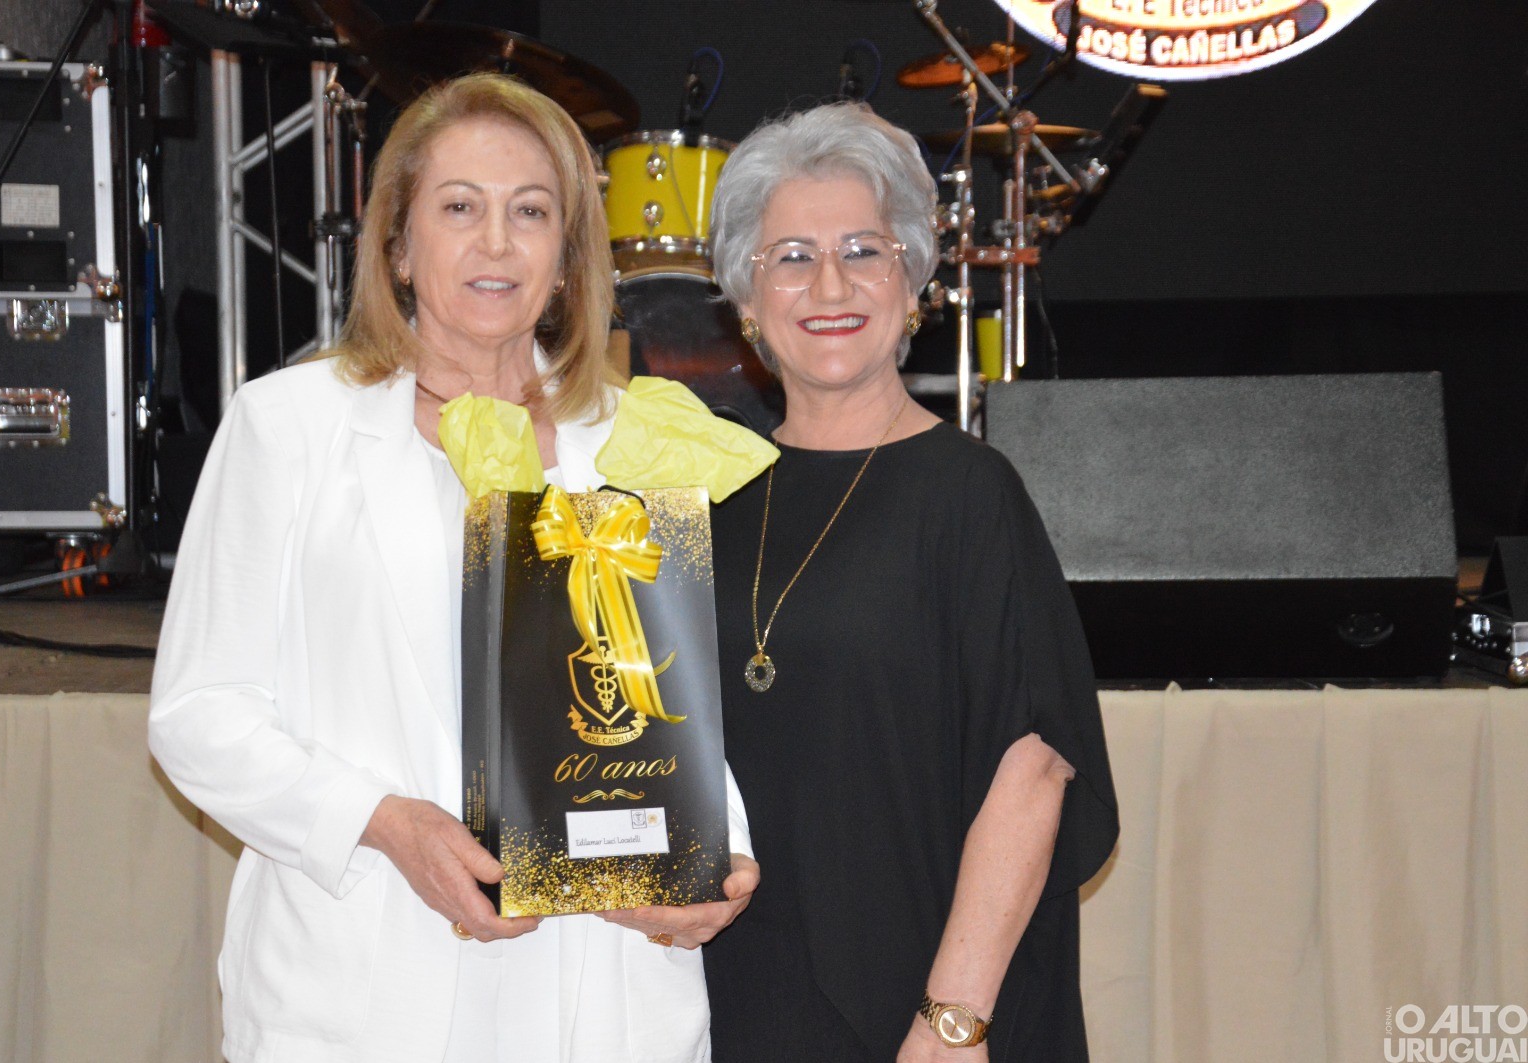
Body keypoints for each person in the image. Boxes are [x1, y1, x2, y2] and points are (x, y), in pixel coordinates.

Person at [149, 73, 757, 1063]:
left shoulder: (635, 440)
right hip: (371, 976)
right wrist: (384, 823)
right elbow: (197, 714)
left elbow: (669, 700)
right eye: (459, 208)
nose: (496, 243)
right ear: (396, 242)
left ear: (566, 255)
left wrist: (712, 857)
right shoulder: (288, 427)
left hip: (600, 989)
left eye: (530, 212)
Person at [701, 102, 1119, 1062]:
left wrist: (954, 1017)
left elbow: (1035, 764)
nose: (831, 283)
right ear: (747, 299)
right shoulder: (711, 501)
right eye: (792, 257)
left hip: (930, 1000)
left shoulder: (972, 494)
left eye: (864, 250)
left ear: (914, 280)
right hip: (746, 994)